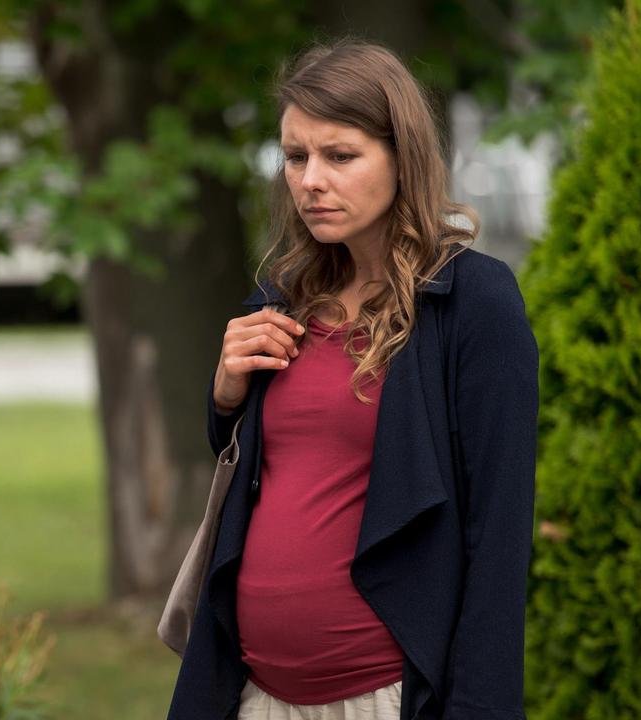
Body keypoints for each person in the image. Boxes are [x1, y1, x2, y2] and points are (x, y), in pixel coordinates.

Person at [167, 42, 538, 720]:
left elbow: (500, 536)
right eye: (294, 156)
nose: (309, 180)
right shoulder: (280, 295)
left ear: (403, 157)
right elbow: (261, 464)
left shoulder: (472, 304)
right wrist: (224, 394)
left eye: (339, 156)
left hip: (388, 698)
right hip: (253, 695)